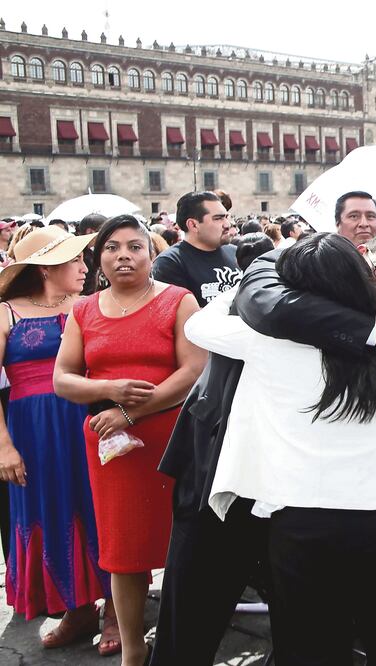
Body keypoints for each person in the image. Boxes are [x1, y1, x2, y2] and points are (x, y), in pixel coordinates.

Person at [149, 223, 376, 666]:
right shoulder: (272, 282)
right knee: (192, 617)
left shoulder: (375, 332)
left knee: (306, 631)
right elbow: (268, 311)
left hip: (296, 503)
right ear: (356, 255)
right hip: (224, 474)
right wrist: (375, 330)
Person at [54, 216, 206, 666]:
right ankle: (134, 649)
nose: (124, 255)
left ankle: (186, 643)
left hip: (172, 439)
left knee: (185, 545)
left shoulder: (179, 301)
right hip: (112, 448)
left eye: (134, 246)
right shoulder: (83, 309)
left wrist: (132, 410)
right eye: (113, 247)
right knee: (124, 549)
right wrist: (109, 391)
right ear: (98, 257)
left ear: (151, 253)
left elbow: (195, 371)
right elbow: (62, 379)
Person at [0, 227, 114, 651]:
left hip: (88, 420)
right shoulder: (6, 312)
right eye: (75, 260)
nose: (85, 268)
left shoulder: (91, 306)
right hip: (34, 430)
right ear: (47, 268)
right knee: (53, 511)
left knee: (103, 509)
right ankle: (78, 610)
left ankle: (118, 614)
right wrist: (4, 445)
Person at [151, 192, 241, 306]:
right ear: (193, 225)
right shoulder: (170, 263)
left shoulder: (236, 252)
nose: (227, 224)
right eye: (218, 218)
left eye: (227, 217)